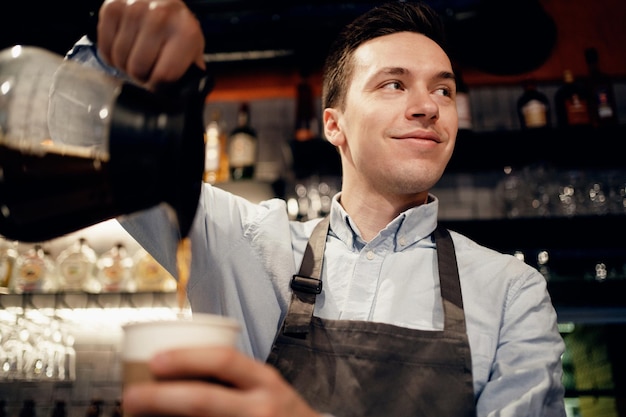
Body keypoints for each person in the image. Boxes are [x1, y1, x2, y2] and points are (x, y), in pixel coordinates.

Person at [65, 0, 566, 416]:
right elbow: (79, 141)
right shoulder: (248, 243)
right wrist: (117, 48)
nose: (428, 105)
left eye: (443, 89)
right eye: (394, 83)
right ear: (334, 125)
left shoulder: (510, 293)